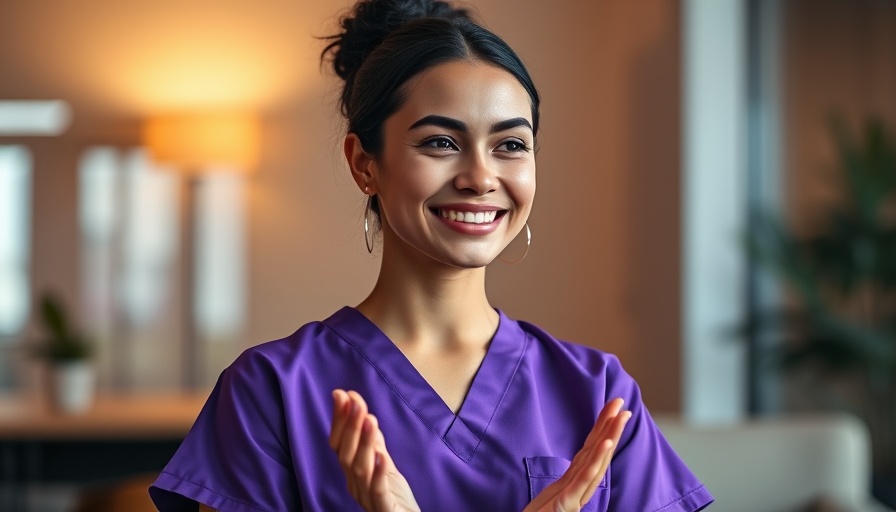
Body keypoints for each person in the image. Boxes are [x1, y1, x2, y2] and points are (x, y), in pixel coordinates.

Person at [149, 0, 714, 510]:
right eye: (440, 142)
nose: (479, 177)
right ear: (363, 163)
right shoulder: (271, 391)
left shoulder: (597, 392)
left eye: (511, 145)